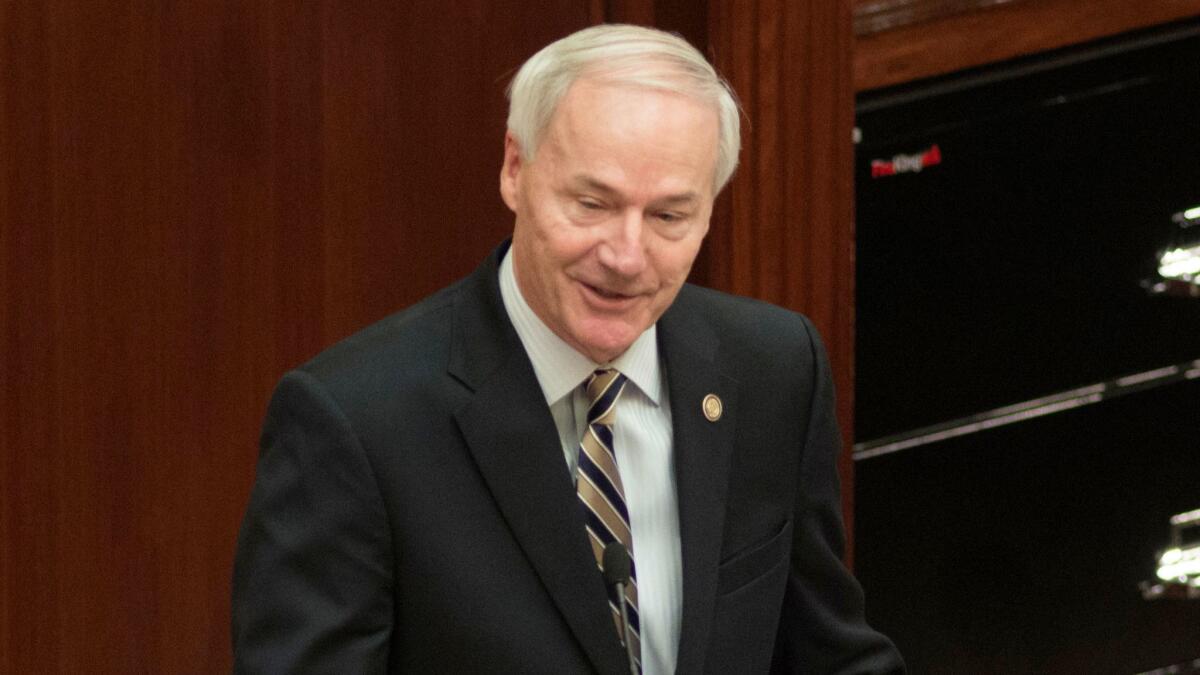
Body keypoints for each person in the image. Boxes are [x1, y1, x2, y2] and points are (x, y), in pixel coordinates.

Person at [232, 24, 903, 674]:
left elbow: (830, 652)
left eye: (669, 215)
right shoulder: (356, 425)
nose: (626, 254)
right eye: (592, 203)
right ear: (515, 169)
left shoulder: (773, 367)